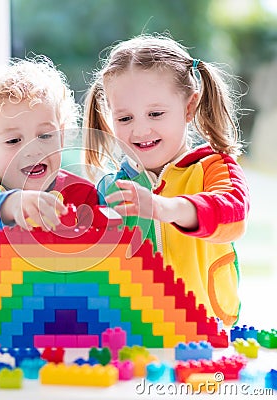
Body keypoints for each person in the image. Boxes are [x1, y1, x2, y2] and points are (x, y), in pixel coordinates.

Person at [83, 34, 250, 326]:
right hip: (135, 335)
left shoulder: (214, 167)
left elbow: (231, 216)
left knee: (214, 377)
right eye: (125, 119)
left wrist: (164, 208)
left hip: (206, 332)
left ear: (189, 107)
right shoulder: (110, 188)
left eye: (156, 113)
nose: (141, 130)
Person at [0, 56, 98, 260]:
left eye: (45, 136)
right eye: (14, 140)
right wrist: (12, 204)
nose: (33, 151)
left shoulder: (82, 193)